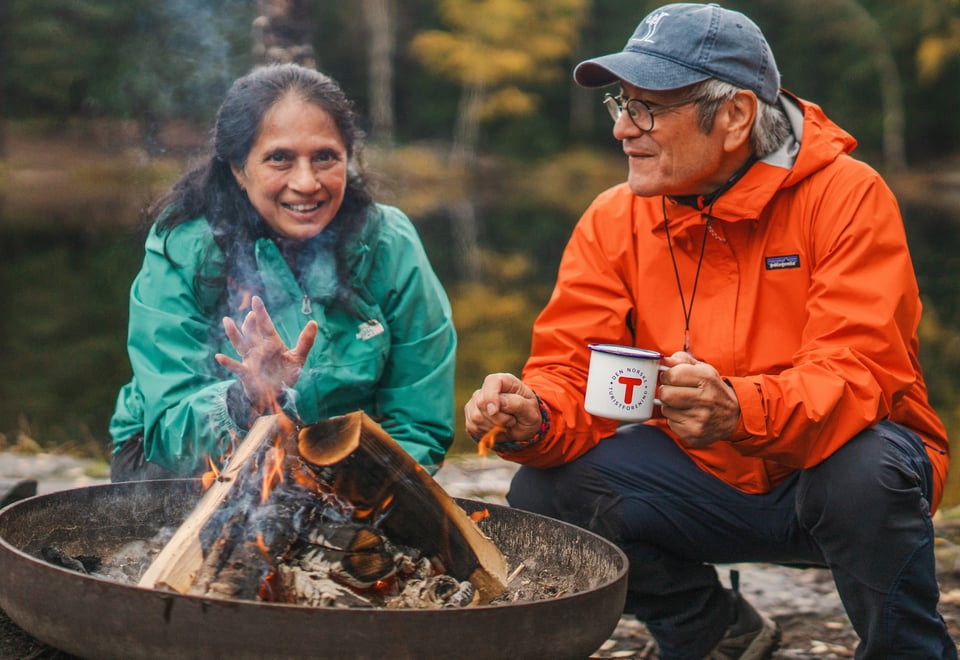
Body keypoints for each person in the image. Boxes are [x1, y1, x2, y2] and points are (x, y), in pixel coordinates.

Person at [464, 4, 955, 658]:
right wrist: (535, 414)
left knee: (865, 467)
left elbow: (857, 373)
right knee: (546, 493)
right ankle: (716, 632)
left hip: (831, 480)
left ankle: (908, 649)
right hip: (700, 485)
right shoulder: (613, 220)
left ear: (735, 116)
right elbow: (580, 376)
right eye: (621, 104)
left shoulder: (847, 195)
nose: (624, 130)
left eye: (648, 109)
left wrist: (738, 410)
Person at [110, 63, 456, 481]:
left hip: (335, 464)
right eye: (280, 159)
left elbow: (419, 421)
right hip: (186, 463)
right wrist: (247, 399)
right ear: (238, 169)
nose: (307, 182)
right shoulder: (185, 246)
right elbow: (169, 425)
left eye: (325, 157)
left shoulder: (390, 242)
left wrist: (370, 493)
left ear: (348, 158)